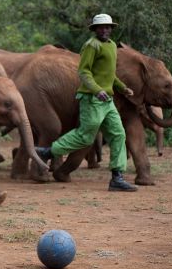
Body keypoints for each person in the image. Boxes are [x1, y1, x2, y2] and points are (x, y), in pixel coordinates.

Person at [36, 13, 138, 192]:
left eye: (108, 27)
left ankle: (117, 177)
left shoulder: (112, 46)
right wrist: (97, 90)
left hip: (108, 100)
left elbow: (108, 74)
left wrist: (122, 88)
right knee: (85, 136)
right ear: (95, 29)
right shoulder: (91, 46)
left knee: (118, 134)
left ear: (111, 29)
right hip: (92, 99)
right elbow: (84, 72)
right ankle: (49, 152)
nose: (105, 30)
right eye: (101, 27)